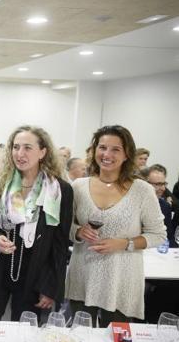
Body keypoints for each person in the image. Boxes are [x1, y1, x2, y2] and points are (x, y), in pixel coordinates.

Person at [65, 125, 165, 327]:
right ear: (94, 151)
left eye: (115, 149)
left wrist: (124, 243)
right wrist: (78, 231)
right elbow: (64, 228)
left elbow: (158, 235)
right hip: (83, 274)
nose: (107, 154)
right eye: (102, 147)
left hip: (121, 279)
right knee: (79, 340)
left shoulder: (142, 190)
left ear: (127, 153)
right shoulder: (78, 187)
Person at [0, 126, 73, 321]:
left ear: (43, 152)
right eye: (16, 147)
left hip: (34, 276)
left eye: (27, 147)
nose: (20, 153)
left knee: (24, 335)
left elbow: (59, 243)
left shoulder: (60, 190)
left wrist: (50, 287)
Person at [141, 164, 176, 244]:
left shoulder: (165, 206)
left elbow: (169, 238)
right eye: (158, 184)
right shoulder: (133, 205)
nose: (163, 188)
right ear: (145, 184)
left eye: (164, 184)